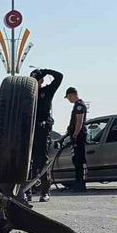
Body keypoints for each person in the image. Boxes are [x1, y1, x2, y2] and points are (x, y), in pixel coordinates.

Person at [28, 68, 63, 202]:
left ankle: (45, 191)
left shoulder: (46, 91)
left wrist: (47, 71)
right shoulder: (27, 93)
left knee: (42, 160)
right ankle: (27, 191)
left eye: (36, 80)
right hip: (28, 130)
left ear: (41, 81)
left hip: (42, 130)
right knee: (27, 161)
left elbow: (59, 77)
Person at [64, 87, 88, 192]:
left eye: (68, 97)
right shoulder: (77, 105)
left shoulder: (79, 106)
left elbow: (79, 122)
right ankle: (78, 182)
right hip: (77, 136)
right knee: (76, 160)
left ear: (72, 95)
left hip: (79, 137)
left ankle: (80, 184)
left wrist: (74, 135)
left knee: (79, 161)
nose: (68, 99)